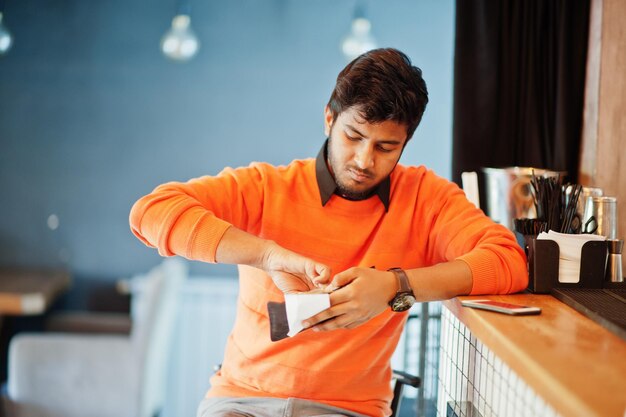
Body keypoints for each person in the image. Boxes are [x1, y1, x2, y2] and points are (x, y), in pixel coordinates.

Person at [129, 48, 527, 417]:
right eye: (353, 137)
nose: (363, 160)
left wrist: (395, 286)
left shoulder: (425, 199)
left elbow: (508, 261)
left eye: (386, 147)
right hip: (241, 401)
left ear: (406, 142)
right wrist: (267, 256)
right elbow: (151, 212)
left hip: (348, 410)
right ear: (329, 118)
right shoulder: (268, 187)